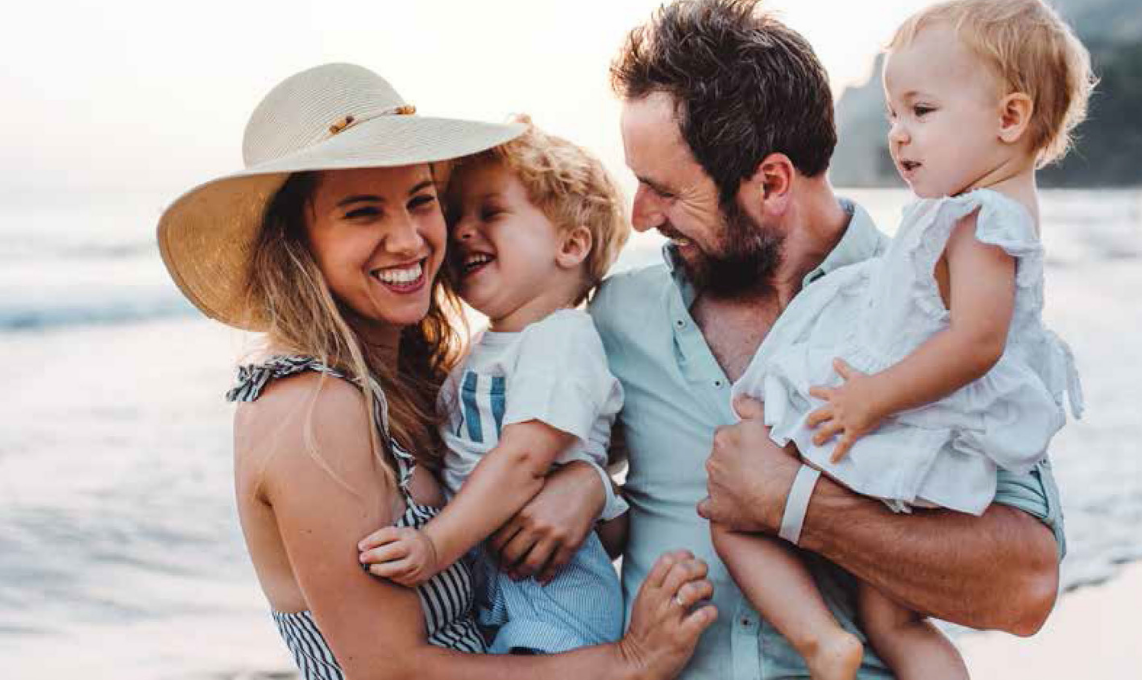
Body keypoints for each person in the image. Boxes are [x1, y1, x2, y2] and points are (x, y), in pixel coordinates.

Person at [156, 63, 714, 680]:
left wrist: (584, 482)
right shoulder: (310, 409)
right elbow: (392, 670)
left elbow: (539, 451)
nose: (409, 240)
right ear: (299, 241)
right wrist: (628, 661)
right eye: (364, 213)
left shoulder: (420, 378)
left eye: (421, 201)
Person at [580, 1, 1067, 677]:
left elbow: (1026, 589)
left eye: (663, 190)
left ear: (771, 183)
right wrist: (567, 488)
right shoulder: (614, 319)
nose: (639, 217)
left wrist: (797, 506)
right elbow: (562, 491)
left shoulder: (936, 311)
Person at [717, 1, 1092, 678]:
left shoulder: (982, 219)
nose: (898, 135)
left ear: (1010, 118)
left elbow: (977, 342)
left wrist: (871, 400)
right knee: (894, 618)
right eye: (893, 115)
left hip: (915, 421)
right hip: (933, 424)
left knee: (732, 508)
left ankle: (819, 642)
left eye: (921, 111)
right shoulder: (977, 211)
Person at [356, 117, 632, 655]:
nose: (460, 230)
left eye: (491, 212)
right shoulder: (486, 349)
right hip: (503, 582)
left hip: (558, 589)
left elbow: (525, 461)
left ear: (571, 245)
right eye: (456, 214)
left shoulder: (559, 340)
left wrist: (433, 546)